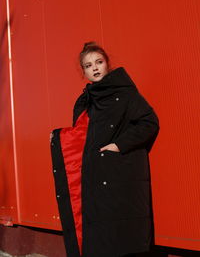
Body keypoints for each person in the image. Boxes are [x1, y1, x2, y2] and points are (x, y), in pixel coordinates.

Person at [50, 42, 159, 257]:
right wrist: (59, 135)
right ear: (84, 72)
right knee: (97, 236)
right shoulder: (85, 101)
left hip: (118, 175)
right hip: (94, 176)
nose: (95, 68)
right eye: (89, 65)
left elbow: (149, 122)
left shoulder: (126, 94)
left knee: (119, 237)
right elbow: (83, 135)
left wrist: (119, 146)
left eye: (99, 62)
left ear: (108, 64)